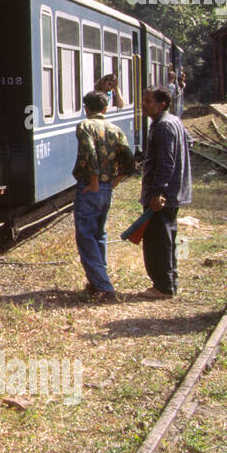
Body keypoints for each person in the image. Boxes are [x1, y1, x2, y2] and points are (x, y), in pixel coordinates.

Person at [71, 90, 136, 302]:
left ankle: (103, 286)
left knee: (85, 236)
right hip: (107, 187)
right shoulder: (116, 129)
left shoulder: (85, 126)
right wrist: (114, 181)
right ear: (106, 109)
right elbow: (128, 158)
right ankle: (97, 280)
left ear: (86, 109)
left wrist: (94, 182)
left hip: (90, 187)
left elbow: (89, 152)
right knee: (99, 234)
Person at [139, 86, 192, 299]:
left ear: (161, 104)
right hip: (173, 193)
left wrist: (158, 192)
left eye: (148, 101)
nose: (143, 104)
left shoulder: (162, 126)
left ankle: (163, 287)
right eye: (143, 100)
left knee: (157, 241)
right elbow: (189, 141)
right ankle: (170, 283)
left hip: (163, 195)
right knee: (167, 238)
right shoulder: (173, 121)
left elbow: (166, 161)